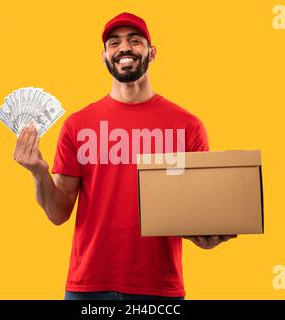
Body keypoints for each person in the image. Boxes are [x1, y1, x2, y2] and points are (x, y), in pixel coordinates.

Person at [13, 12, 237, 300]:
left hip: (158, 288)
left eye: (135, 40)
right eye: (114, 43)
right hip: (88, 286)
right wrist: (39, 172)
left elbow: (196, 212)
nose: (124, 48)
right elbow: (58, 214)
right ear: (105, 56)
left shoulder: (188, 126)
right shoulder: (77, 125)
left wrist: (208, 236)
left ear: (152, 52)